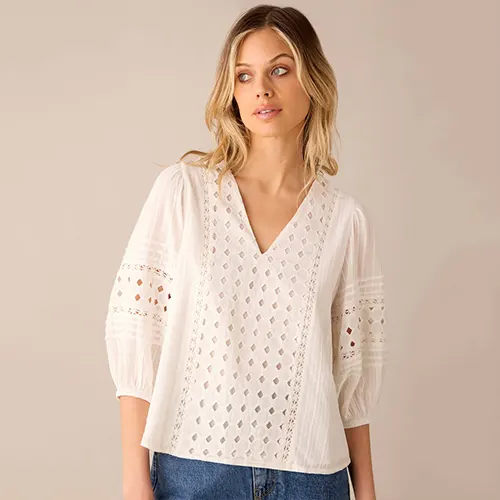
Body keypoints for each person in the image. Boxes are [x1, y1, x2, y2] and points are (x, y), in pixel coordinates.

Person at [104, 4, 387, 500]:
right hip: (195, 470)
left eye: (280, 70)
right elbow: (137, 331)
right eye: (244, 75)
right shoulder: (184, 193)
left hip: (310, 476)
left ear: (312, 81)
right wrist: (134, 480)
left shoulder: (345, 221)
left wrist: (365, 489)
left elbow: (351, 373)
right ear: (231, 91)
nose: (262, 89)